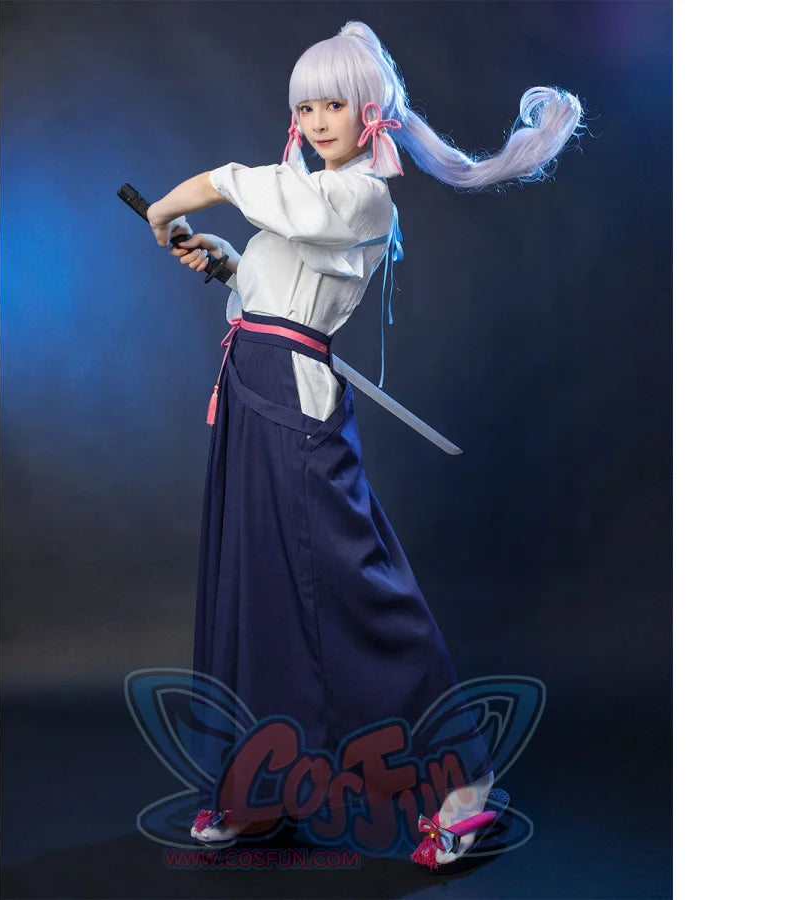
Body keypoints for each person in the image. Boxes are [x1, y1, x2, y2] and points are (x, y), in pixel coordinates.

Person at [145, 20, 582, 869]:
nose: (315, 121)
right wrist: (230, 263)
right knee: (257, 585)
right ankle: (260, 786)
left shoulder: (362, 197)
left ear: (370, 111)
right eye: (304, 107)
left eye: (333, 105)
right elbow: (280, 284)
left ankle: (466, 788)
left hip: (296, 405)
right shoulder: (317, 194)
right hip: (252, 390)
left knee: (358, 589)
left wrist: (174, 204)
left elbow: (260, 195)